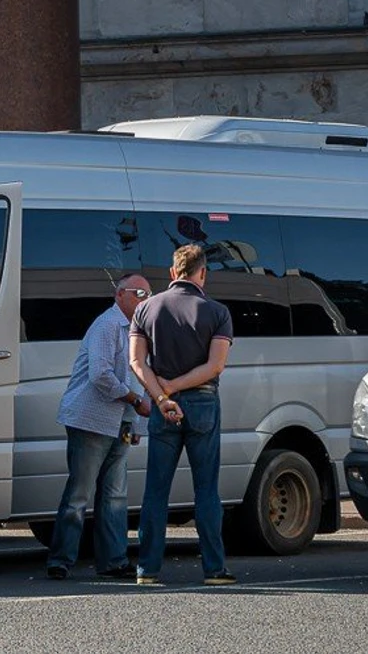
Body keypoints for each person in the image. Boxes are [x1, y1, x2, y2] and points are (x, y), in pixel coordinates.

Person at [129, 241, 235, 586]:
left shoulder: (145, 309)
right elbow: (215, 365)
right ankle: (214, 569)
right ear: (202, 273)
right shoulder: (217, 312)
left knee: (155, 491)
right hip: (203, 403)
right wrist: (176, 386)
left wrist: (161, 396)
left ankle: (148, 569)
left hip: (163, 408)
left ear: (173, 273)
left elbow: (136, 362)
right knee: (206, 490)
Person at [47, 274, 155, 580]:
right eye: (138, 293)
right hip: (91, 419)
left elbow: (136, 376)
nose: (145, 299)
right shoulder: (107, 325)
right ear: (119, 295)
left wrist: (135, 423)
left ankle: (113, 561)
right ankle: (60, 560)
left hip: (119, 419)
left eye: (149, 294)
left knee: (115, 495)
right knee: (80, 492)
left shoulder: (137, 331)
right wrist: (135, 402)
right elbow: (100, 375)